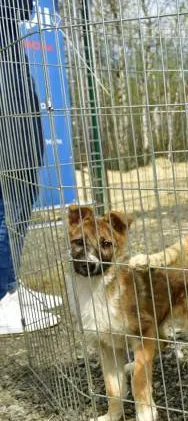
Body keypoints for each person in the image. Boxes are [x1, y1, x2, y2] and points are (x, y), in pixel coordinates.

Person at [0, 0, 61, 335]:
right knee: (17, 175)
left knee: (16, 179)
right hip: (4, 53)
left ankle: (8, 285)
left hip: (7, 42)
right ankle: (2, 297)